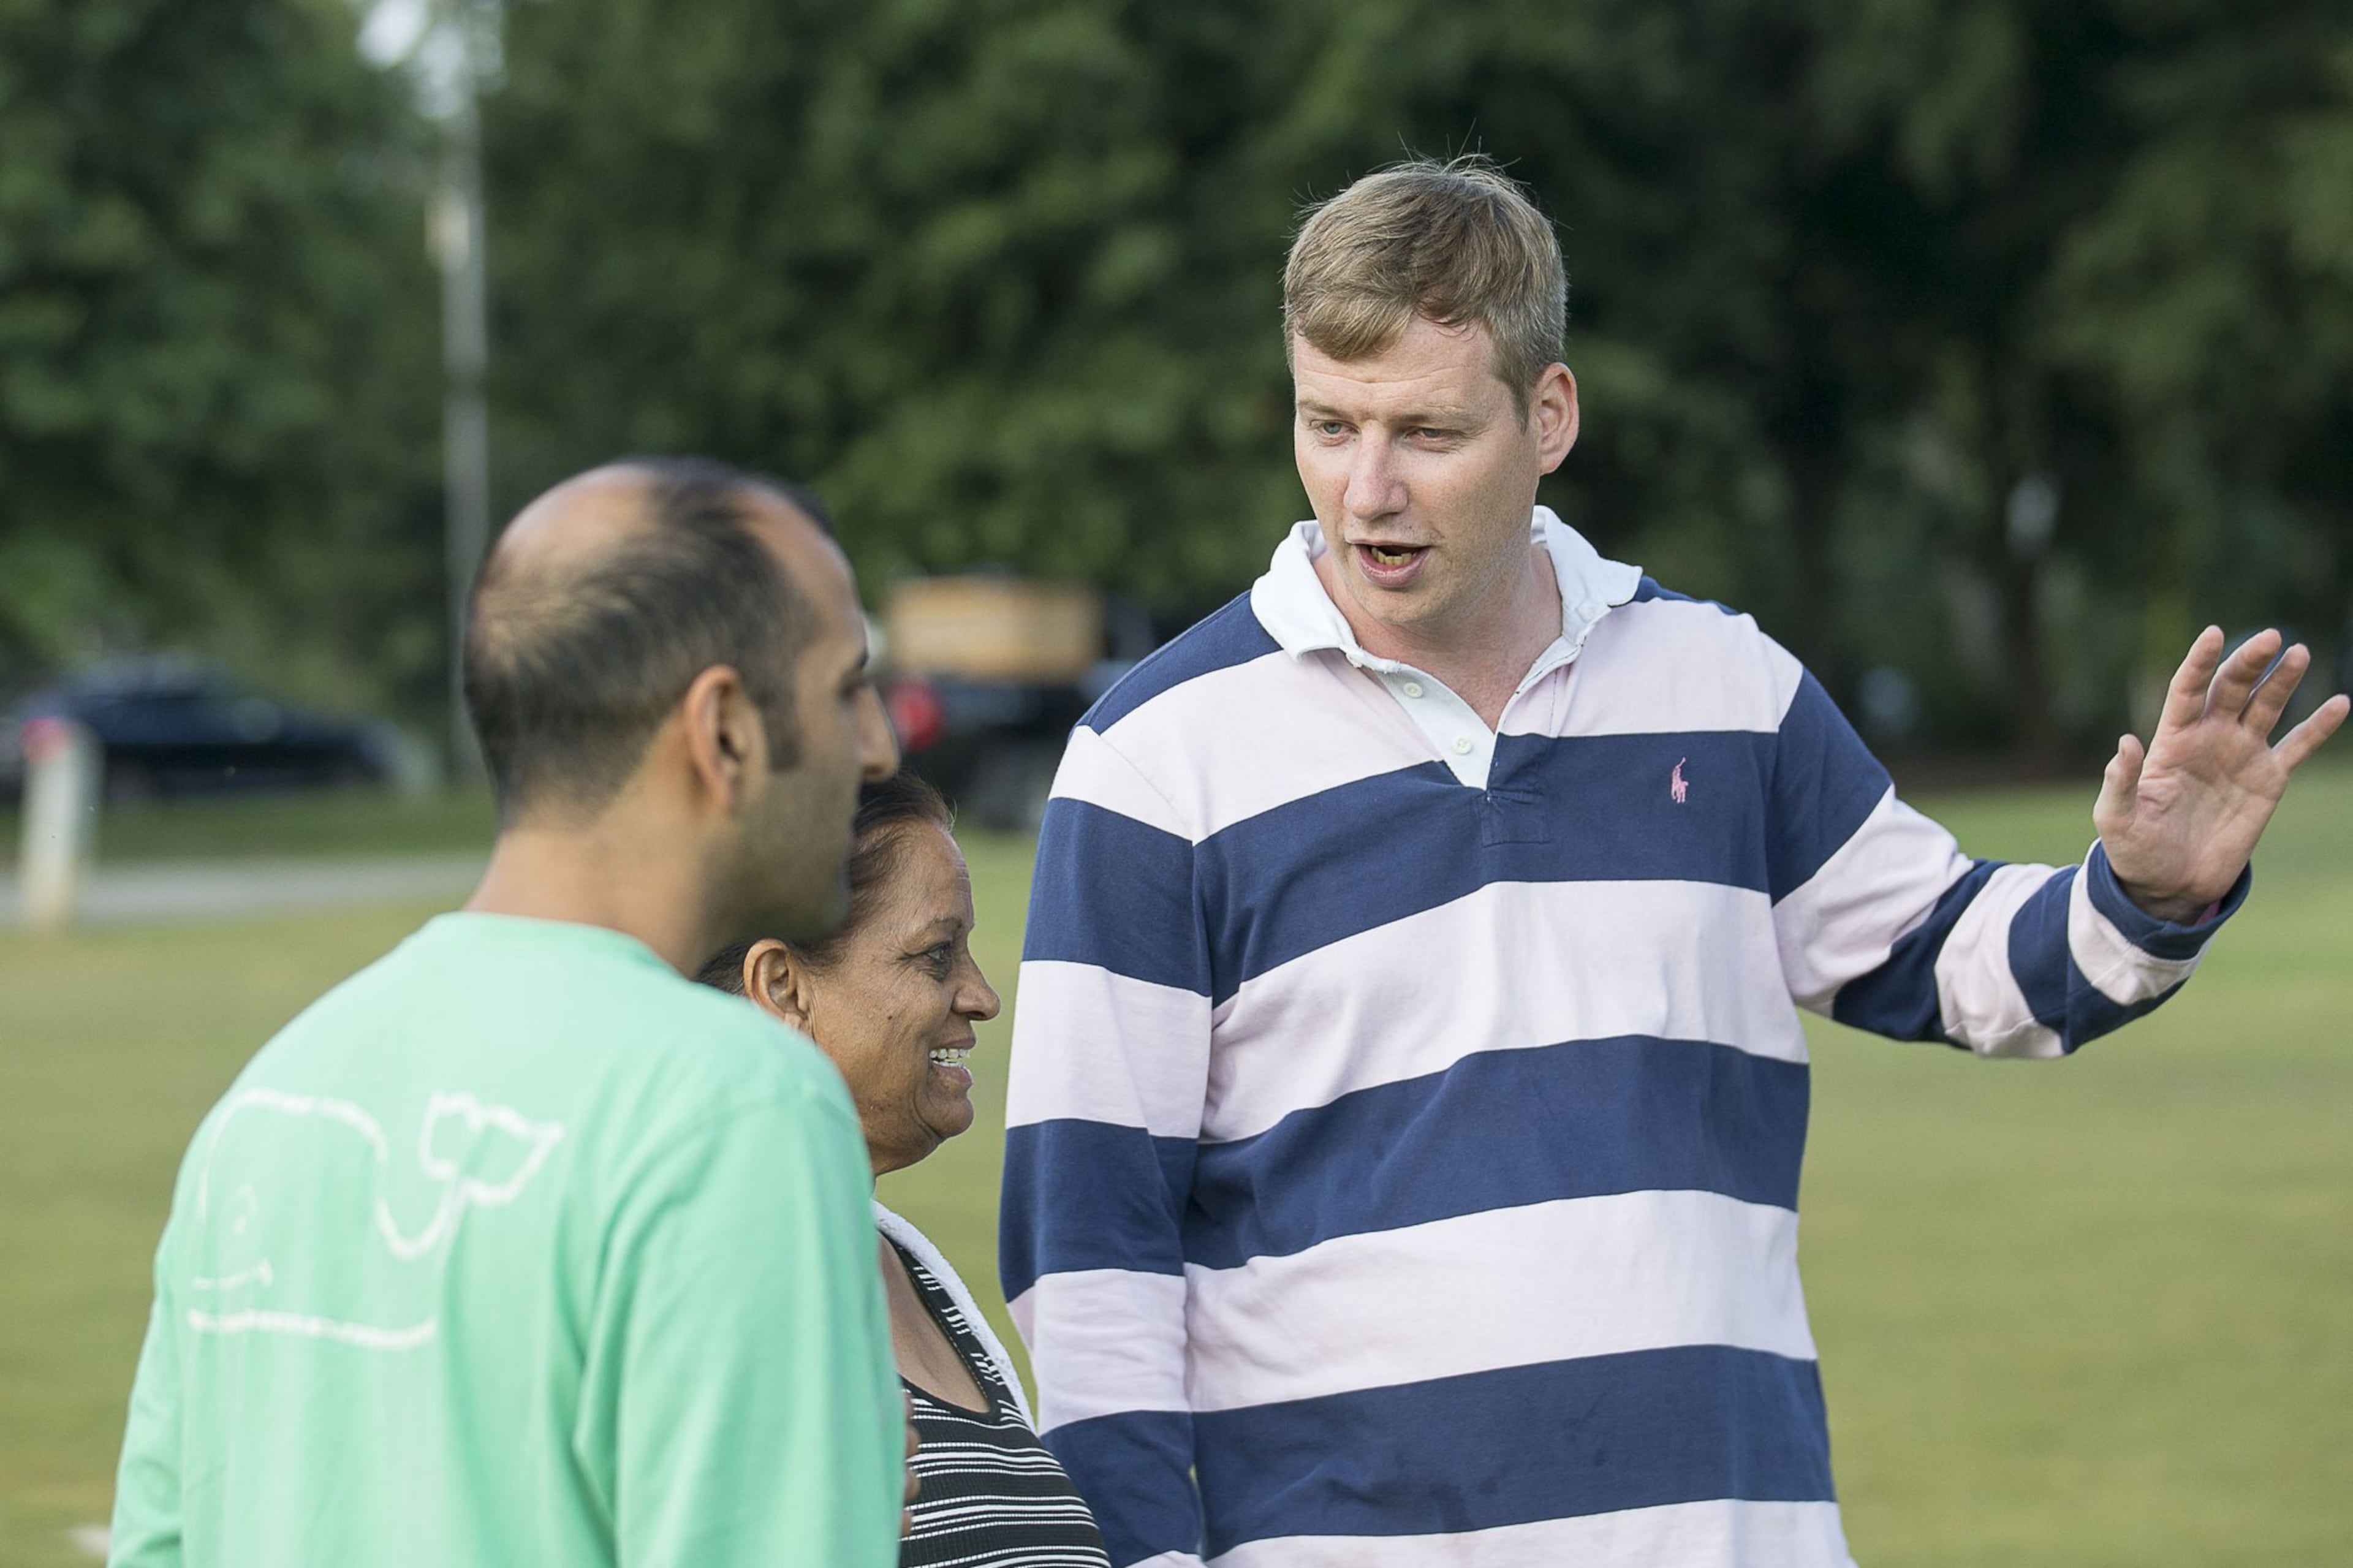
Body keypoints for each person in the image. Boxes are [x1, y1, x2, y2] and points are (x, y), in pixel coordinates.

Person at [998, 157, 2349, 1568]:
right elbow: (1091, 1262)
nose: (1369, 489)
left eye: (1428, 431)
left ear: (1551, 415)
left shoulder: (1728, 687)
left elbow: (1957, 958)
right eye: (1328, 425)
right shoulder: (1154, 757)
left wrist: (2149, 890)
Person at [108, 458, 907, 1568]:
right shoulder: (737, 1109)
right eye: (843, 688)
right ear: (723, 728)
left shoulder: (272, 1102)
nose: (879, 745)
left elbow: (160, 1546)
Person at [697, 771, 1112, 1568]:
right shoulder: (703, 1289)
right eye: (935, 956)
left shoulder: (915, 1269)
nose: (983, 996)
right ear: (782, 987)